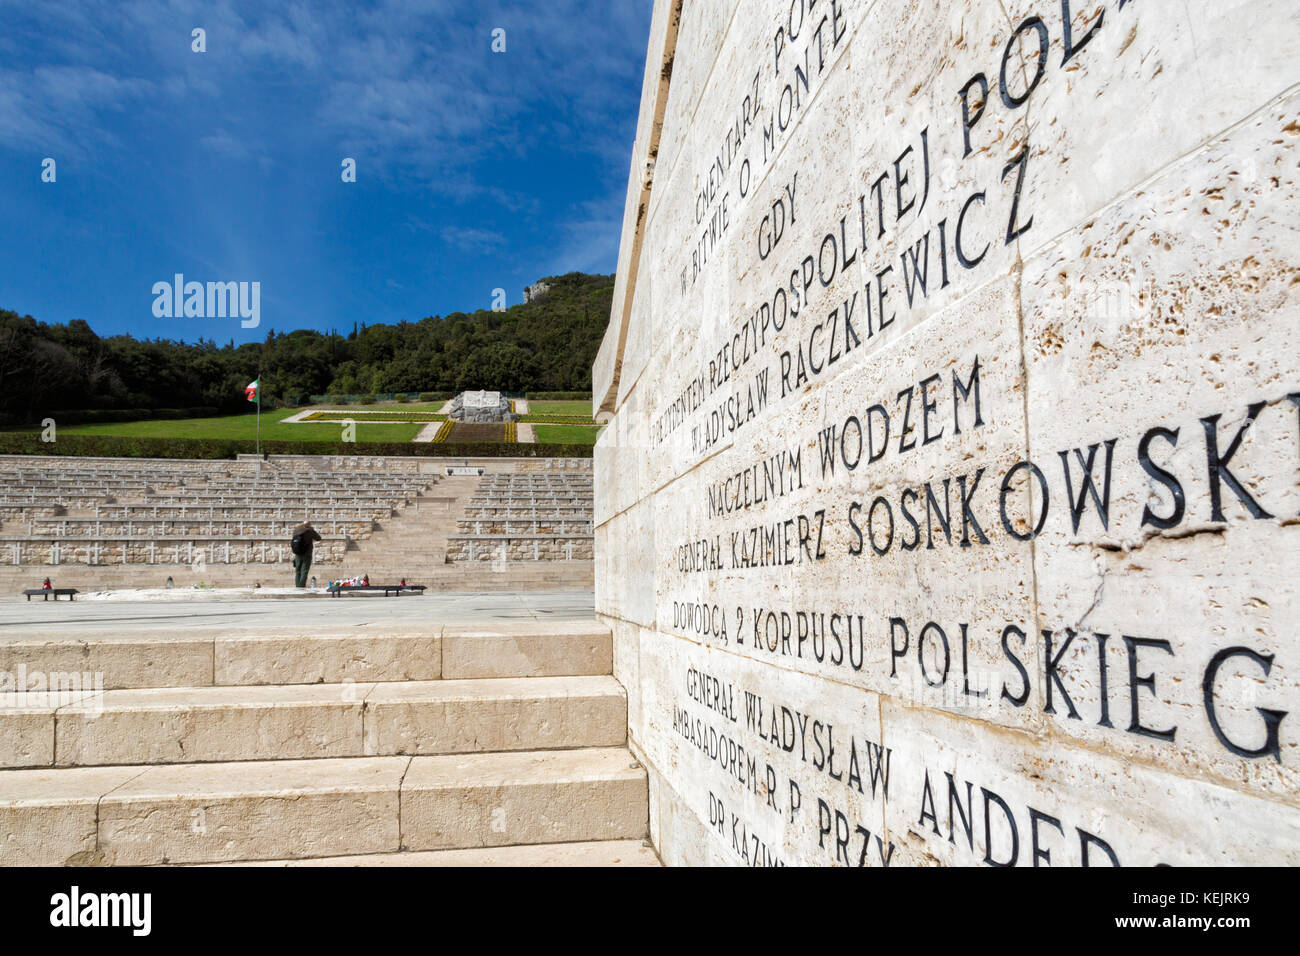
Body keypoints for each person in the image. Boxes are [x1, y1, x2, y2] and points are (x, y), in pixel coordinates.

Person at [289, 520, 322, 588]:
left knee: (298, 571)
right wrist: (312, 530)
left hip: (297, 553)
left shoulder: (296, 530)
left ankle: (297, 585)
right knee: (304, 571)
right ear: (309, 525)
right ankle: (301, 586)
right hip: (307, 554)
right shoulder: (309, 531)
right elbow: (318, 538)